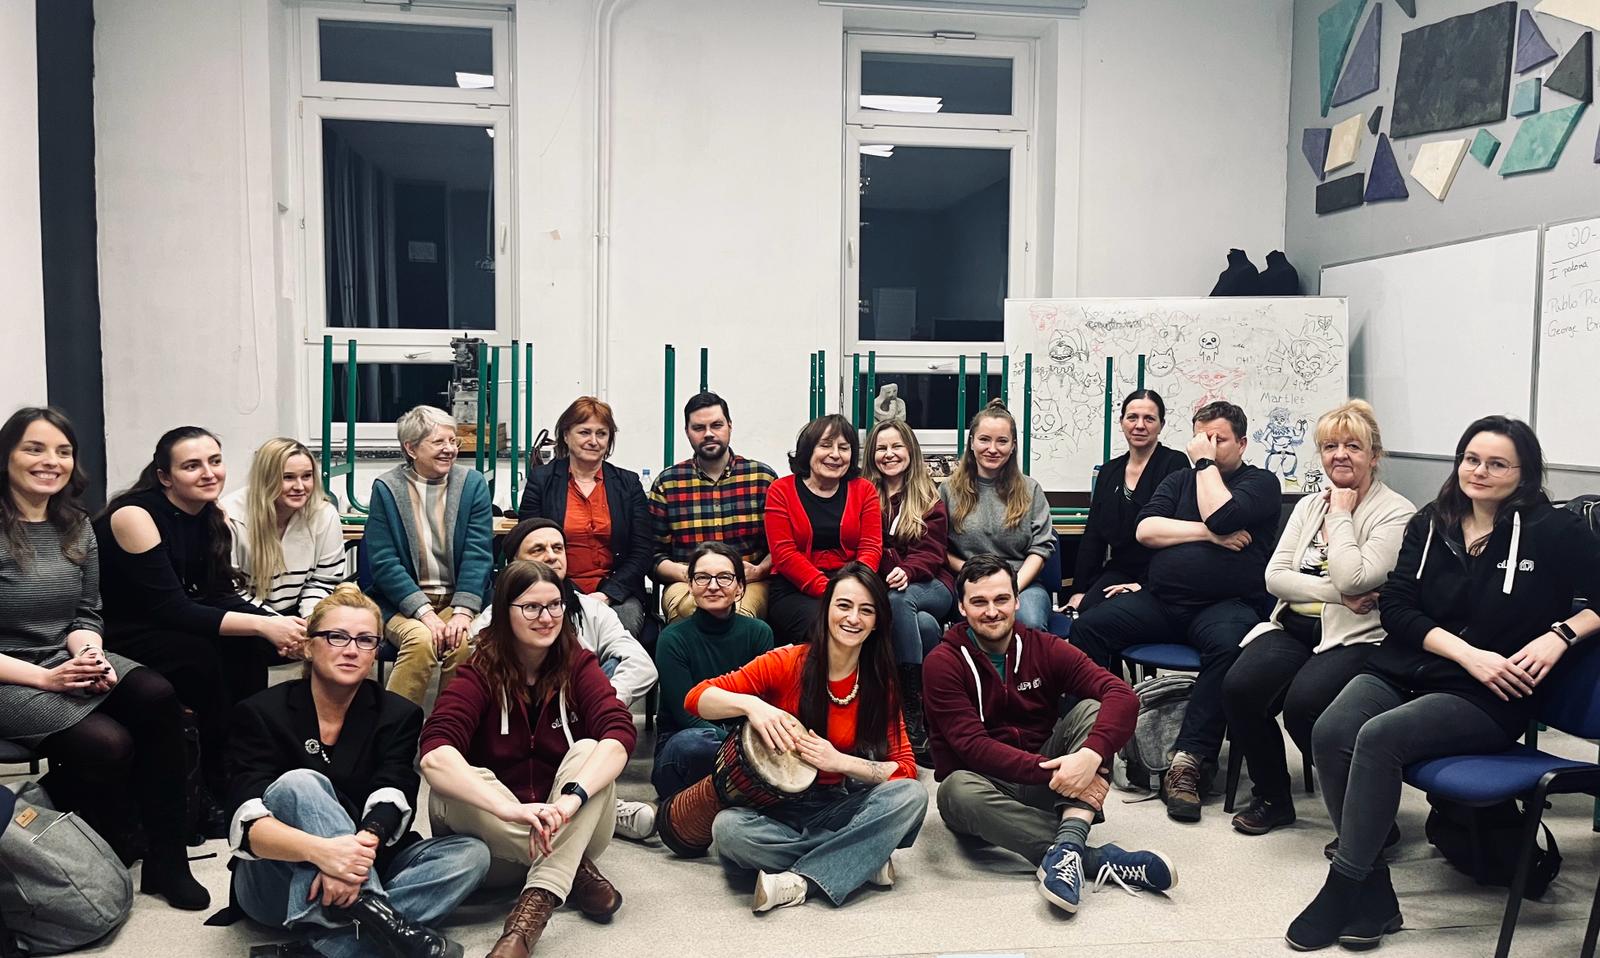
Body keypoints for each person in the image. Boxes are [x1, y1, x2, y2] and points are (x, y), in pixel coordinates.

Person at [1287, 416, 1600, 951]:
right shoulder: (1433, 521)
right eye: (1471, 459)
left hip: (1490, 694)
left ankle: (1343, 886)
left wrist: (1562, 635)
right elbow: (1397, 606)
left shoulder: (1554, 531)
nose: (1479, 472)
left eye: (1497, 464)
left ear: (1524, 474)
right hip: (1413, 667)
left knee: (1379, 738)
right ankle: (1374, 889)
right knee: (1331, 729)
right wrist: (1466, 654)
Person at [0, 408, 205, 909]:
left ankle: (167, 859)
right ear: (6, 456)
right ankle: (89, 835)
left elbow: (87, 612)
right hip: (11, 676)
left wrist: (91, 655)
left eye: (63, 451)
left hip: (63, 655)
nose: (51, 461)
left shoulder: (76, 526)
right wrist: (48, 680)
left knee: (157, 695)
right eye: (34, 449)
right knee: (108, 744)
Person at [227, 584, 491, 958]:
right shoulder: (260, 712)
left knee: (471, 855)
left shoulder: (399, 714)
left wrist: (355, 854)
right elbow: (247, 822)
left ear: (376, 651)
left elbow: (393, 791)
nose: (351, 650)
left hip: (368, 859)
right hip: (276, 878)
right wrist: (325, 854)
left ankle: (323, 949)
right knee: (299, 783)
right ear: (309, 645)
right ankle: (380, 919)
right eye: (336, 637)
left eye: (366, 640)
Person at [1069, 400, 1281, 823]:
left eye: (1219, 439)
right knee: (1089, 628)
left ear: (1242, 444)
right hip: (1163, 602)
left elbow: (1225, 514)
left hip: (1226, 607)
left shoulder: (1260, 483)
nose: (1209, 446)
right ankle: (1094, 739)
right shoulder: (1179, 479)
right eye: (1202, 438)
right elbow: (1146, 530)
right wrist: (1209, 536)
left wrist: (1205, 466)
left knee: (1230, 651)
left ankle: (1188, 762)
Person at [928, 554, 1173, 914]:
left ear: (1017, 601)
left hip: (1049, 781)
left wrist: (1088, 756)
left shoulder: (1044, 647)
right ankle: (1086, 854)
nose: (992, 611)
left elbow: (1121, 695)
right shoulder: (942, 662)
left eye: (1001, 599)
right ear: (962, 607)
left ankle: (1066, 848)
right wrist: (1062, 771)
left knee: (1092, 709)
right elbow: (972, 747)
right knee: (954, 790)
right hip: (985, 787)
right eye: (979, 602)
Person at [420, 560, 636, 958]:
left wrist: (570, 802)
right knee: (456, 780)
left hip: (565, 818)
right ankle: (572, 870)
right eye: (531, 607)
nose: (547, 617)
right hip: (497, 841)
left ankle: (526, 922)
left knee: (589, 751)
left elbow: (619, 733)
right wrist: (510, 810)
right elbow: (434, 752)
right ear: (505, 612)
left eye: (555, 605)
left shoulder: (578, 663)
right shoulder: (479, 670)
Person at [685, 562, 926, 912]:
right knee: (729, 830)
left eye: (866, 610)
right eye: (844, 605)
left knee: (911, 796)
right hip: (775, 808)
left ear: (877, 622)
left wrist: (840, 761)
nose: (853, 618)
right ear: (826, 609)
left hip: (836, 803)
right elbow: (697, 698)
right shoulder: (787, 662)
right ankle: (861, 859)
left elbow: (905, 769)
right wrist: (753, 706)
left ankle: (800, 881)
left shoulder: (878, 682)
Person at [1221, 401, 1415, 837]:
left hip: (1356, 635)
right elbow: (1275, 577)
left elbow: (1354, 575)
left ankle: (1369, 818)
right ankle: (1273, 798)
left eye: (1352, 446)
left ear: (1374, 455)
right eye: (1330, 446)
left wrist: (1342, 514)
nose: (1339, 455)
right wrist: (1340, 596)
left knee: (1304, 708)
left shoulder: (1396, 513)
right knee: (1239, 689)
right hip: (1295, 625)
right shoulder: (1310, 505)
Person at [96, 425, 303, 827]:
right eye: (192, 466)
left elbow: (218, 593)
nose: (209, 473)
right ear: (164, 476)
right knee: (202, 657)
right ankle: (208, 781)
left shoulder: (210, 513)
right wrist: (262, 626)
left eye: (215, 461)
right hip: (123, 629)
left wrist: (281, 626)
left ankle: (244, 763)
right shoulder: (135, 515)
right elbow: (171, 608)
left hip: (171, 622)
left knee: (250, 647)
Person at [468, 518, 658, 841]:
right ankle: (596, 811)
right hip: (520, 736)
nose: (552, 556)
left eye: (558, 548)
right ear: (514, 563)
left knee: (606, 672)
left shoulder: (592, 609)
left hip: (576, 729)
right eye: (538, 549)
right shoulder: (490, 620)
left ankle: (586, 806)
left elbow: (642, 666)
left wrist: (595, 701)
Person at [365, 405, 493, 708]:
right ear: (411, 448)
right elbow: (384, 562)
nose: (450, 449)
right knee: (421, 641)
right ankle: (391, 731)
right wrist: (424, 613)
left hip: (456, 601)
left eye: (453, 441)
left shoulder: (472, 484)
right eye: (439, 442)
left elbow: (478, 554)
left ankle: (446, 729)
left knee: (463, 644)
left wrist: (463, 612)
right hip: (401, 604)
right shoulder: (387, 488)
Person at [517, 397, 652, 638]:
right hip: (555, 588)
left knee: (619, 632)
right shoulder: (542, 480)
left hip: (617, 592)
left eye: (602, 433)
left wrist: (607, 594)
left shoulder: (628, 483)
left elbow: (642, 551)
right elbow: (527, 544)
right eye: (584, 432)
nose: (593, 441)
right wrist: (566, 593)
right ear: (566, 435)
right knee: (564, 632)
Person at [651, 541, 774, 798]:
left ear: (740, 587)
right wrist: (739, 752)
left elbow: (763, 700)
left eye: (724, 577)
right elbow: (686, 715)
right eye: (703, 577)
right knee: (695, 744)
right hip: (687, 742)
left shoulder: (758, 633)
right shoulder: (673, 638)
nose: (713, 586)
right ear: (690, 585)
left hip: (743, 740)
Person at [862, 418, 952, 765]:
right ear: (872, 455)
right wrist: (889, 567)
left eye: (897, 446)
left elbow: (933, 552)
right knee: (925, 628)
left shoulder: (928, 497)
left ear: (910, 451)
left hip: (931, 585)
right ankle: (928, 722)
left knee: (901, 600)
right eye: (881, 448)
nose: (889, 454)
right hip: (891, 590)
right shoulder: (862, 493)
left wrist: (907, 569)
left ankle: (908, 709)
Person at [649, 392, 778, 622]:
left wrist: (759, 571)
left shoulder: (762, 478)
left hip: (748, 582)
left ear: (730, 426)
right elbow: (653, 555)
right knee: (689, 613)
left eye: (716, 425)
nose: (708, 433)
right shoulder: (668, 483)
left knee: (738, 618)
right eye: (699, 428)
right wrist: (693, 575)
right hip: (685, 582)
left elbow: (781, 547)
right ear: (687, 432)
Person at [764, 415, 883, 645]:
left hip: (854, 585)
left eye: (844, 448)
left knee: (880, 623)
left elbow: (871, 547)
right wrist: (832, 592)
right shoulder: (781, 490)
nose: (835, 454)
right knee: (822, 626)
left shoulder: (864, 490)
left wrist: (855, 586)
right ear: (808, 450)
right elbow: (784, 554)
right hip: (795, 589)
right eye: (826, 445)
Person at [1068, 390, 1187, 616]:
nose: (1139, 425)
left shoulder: (1174, 463)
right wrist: (1079, 590)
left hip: (1161, 574)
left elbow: (1179, 530)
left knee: (1116, 617)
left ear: (1161, 425)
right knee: (1087, 611)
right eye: (1132, 417)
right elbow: (1093, 536)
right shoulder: (1109, 471)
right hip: (1120, 570)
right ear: (1122, 421)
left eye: (1149, 419)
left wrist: (1142, 585)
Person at [940, 400, 1056, 631]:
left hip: (1021, 583)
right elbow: (938, 548)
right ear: (971, 442)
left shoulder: (1031, 490)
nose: (992, 449)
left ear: (1013, 446)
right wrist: (973, 574)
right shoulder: (948, 490)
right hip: (969, 581)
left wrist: (1010, 587)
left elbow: (1041, 549)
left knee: (1030, 622)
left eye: (1002, 441)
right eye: (984, 439)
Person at [223, 437, 346, 618]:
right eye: (288, 477)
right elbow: (230, 590)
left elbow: (323, 582)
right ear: (266, 479)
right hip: (245, 616)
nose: (300, 487)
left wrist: (309, 621)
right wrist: (275, 624)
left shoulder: (324, 514)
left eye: (307, 476)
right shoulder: (231, 516)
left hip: (299, 614)